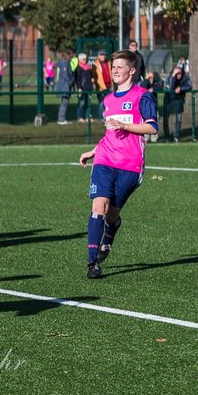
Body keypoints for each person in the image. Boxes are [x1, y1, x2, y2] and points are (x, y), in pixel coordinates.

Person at [79, 50, 158, 279]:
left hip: (130, 165)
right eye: (113, 67)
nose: (114, 70)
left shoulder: (142, 96)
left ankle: (112, 230)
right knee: (98, 207)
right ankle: (92, 263)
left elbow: (152, 127)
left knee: (111, 215)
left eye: (120, 67)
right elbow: (109, 133)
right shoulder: (108, 100)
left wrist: (126, 126)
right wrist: (93, 152)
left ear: (132, 70)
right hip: (105, 160)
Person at [163, 64, 191, 142]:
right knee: (166, 117)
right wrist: (173, 76)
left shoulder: (185, 77)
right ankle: (166, 135)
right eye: (177, 73)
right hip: (169, 99)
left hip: (179, 99)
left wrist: (181, 88)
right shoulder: (170, 77)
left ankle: (176, 135)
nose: (179, 75)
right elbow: (170, 88)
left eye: (180, 73)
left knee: (178, 117)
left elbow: (189, 86)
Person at [74, 53, 94, 121]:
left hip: (89, 87)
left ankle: (88, 117)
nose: (85, 60)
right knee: (82, 103)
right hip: (82, 88)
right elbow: (77, 79)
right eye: (83, 59)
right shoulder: (78, 68)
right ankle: (80, 117)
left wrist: (92, 78)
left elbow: (91, 75)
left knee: (88, 103)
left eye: (86, 59)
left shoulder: (88, 67)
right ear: (79, 60)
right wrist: (79, 88)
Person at [55, 54, 74, 125]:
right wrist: (71, 82)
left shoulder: (63, 63)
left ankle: (62, 118)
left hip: (64, 85)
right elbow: (65, 75)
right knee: (64, 102)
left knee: (64, 102)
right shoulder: (64, 63)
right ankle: (61, 119)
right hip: (64, 86)